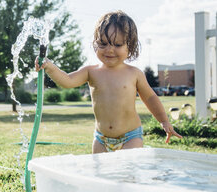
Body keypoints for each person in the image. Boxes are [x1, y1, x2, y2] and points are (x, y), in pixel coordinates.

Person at [35, 11, 182, 154]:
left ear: (130, 47)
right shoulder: (91, 72)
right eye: (103, 43)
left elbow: (150, 97)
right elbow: (67, 81)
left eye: (117, 45)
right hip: (101, 139)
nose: (109, 50)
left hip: (130, 138)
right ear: (95, 43)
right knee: (101, 175)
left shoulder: (134, 73)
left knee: (127, 174)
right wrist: (49, 67)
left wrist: (164, 121)